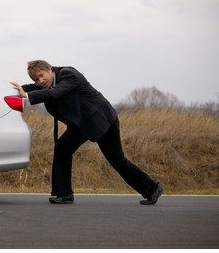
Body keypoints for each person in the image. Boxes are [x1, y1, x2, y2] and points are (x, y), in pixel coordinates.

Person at [10, 60, 163, 205]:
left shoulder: (69, 75)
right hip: (81, 125)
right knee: (62, 148)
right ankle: (64, 194)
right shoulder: (48, 83)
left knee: (118, 161)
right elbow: (32, 88)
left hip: (102, 120)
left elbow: (56, 93)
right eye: (37, 79)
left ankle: (152, 189)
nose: (41, 81)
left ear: (50, 69)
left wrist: (27, 96)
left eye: (42, 75)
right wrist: (10, 90)